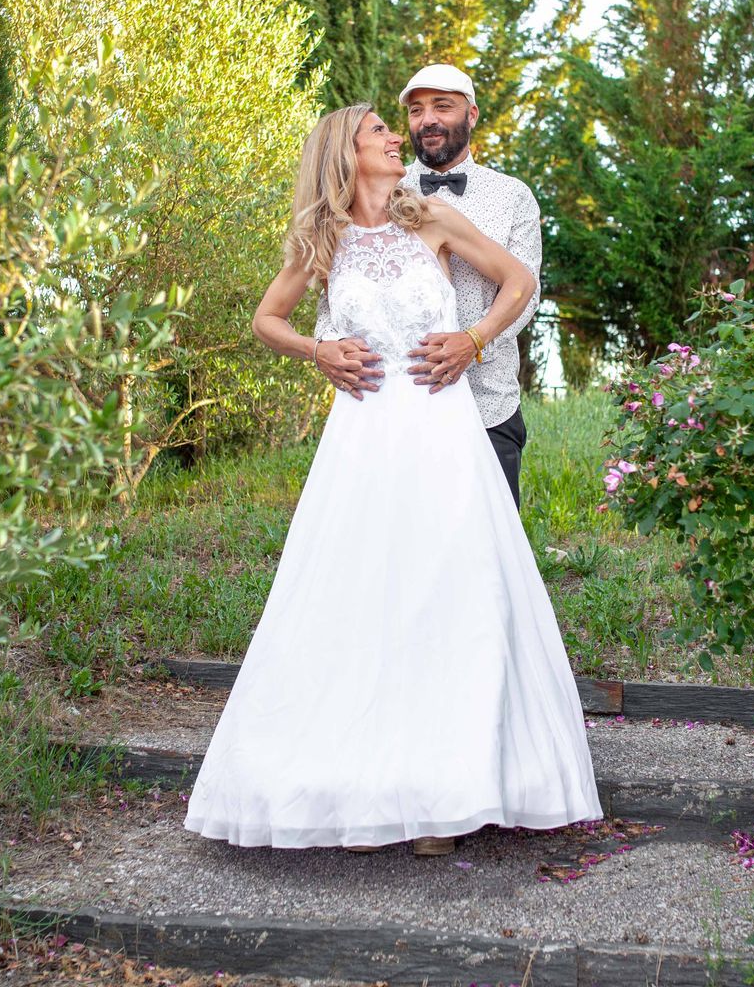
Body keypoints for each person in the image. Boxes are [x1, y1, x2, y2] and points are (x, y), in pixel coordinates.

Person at [182, 104, 601, 857]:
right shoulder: (322, 241)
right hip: (363, 444)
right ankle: (364, 782)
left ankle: (449, 794)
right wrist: (320, 351)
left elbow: (518, 281)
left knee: (447, 594)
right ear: (347, 152)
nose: (393, 137)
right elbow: (264, 320)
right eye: (378, 130)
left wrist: (473, 340)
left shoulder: (433, 219)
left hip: (443, 436)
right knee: (361, 596)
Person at [315, 64, 540, 507]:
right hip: (394, 413)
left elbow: (524, 291)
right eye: (416, 111)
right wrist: (324, 347)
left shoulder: (513, 196)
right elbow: (338, 295)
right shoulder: (378, 186)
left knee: (486, 557)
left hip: (489, 404)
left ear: (472, 114)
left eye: (443, 106)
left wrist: (472, 343)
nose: (428, 120)